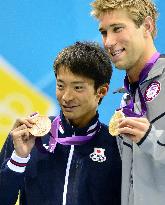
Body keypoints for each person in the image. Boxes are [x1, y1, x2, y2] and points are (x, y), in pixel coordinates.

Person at [0, 41, 121, 205]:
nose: (66, 97)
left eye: (78, 88)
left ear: (101, 91)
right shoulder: (28, 136)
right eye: (60, 85)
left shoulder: (116, 146)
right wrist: (19, 159)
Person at [91, 0, 165, 205]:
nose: (108, 42)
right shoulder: (127, 97)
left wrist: (151, 138)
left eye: (117, 29)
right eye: (104, 32)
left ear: (147, 26)